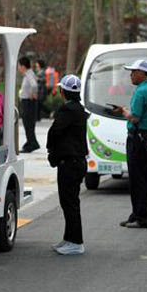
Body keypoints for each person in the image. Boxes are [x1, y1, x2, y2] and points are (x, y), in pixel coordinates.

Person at [114, 59, 147, 229]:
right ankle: (137, 215)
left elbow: (135, 117)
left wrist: (123, 111)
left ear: (143, 74)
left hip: (138, 139)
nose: (131, 75)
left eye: (134, 72)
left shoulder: (141, 91)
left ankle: (143, 218)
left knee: (137, 179)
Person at [46, 75, 89, 255]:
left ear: (63, 92)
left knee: (70, 202)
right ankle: (69, 238)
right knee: (69, 201)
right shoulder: (79, 108)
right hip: (77, 161)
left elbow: (55, 131)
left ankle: (76, 242)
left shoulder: (67, 110)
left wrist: (51, 150)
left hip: (70, 162)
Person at [18, 56, 40, 152]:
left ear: (23, 66)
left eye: (19, 66)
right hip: (27, 102)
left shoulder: (29, 74)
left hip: (28, 102)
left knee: (28, 123)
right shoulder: (29, 74)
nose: (19, 68)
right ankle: (31, 142)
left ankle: (31, 143)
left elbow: (34, 85)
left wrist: (32, 94)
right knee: (28, 124)